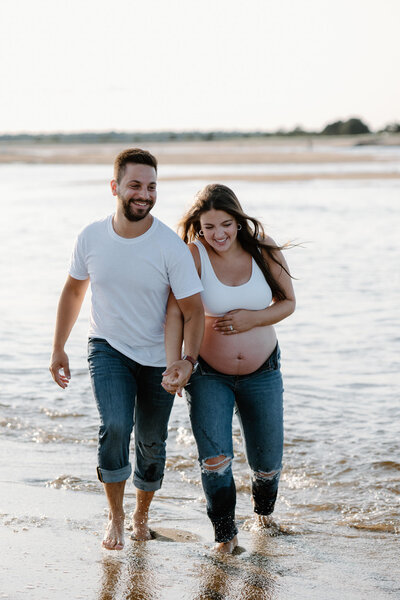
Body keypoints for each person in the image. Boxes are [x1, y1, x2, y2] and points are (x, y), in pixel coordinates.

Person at [49, 148, 204, 550]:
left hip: (159, 359)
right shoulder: (91, 236)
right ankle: (115, 514)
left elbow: (193, 311)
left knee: (152, 442)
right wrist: (58, 347)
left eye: (151, 186)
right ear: (115, 186)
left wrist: (187, 361)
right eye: (135, 185)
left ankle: (142, 514)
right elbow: (73, 290)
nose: (145, 194)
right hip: (108, 347)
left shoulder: (170, 246)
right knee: (115, 426)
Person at [162, 183, 295, 553]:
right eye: (208, 227)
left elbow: (287, 303)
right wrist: (176, 361)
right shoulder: (193, 255)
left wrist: (254, 319)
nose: (217, 234)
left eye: (225, 224)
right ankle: (226, 537)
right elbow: (175, 312)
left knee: (267, 462)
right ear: (198, 227)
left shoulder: (264, 250)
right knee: (215, 458)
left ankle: (264, 518)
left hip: (263, 370)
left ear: (238, 221)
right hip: (207, 372)